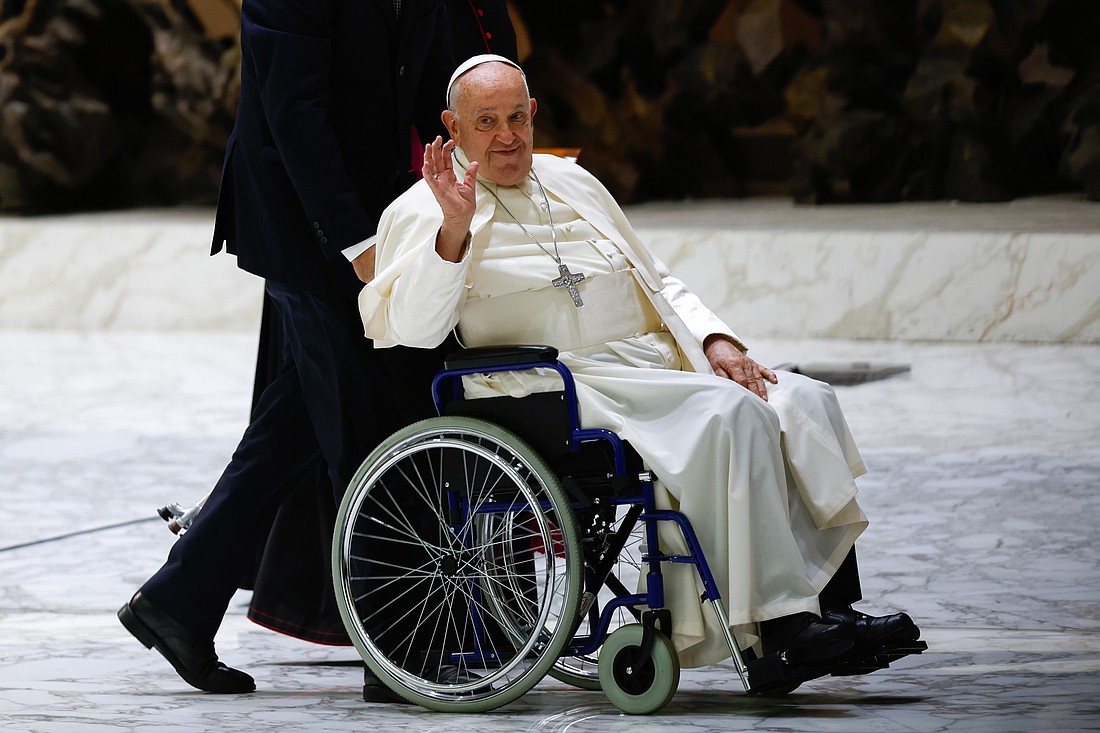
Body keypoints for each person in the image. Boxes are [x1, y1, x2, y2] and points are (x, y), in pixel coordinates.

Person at [360, 55, 921, 674]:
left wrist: (714, 340)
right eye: (486, 122)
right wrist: (455, 231)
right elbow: (416, 330)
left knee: (798, 398)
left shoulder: (569, 180)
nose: (507, 136)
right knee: (733, 417)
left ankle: (833, 611)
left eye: (517, 117)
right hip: (557, 383)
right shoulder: (425, 207)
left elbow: (654, 278)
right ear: (453, 127)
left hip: (649, 361)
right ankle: (780, 631)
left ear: (534, 114)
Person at [117, 0, 460, 696]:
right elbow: (294, 114)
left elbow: (430, 90)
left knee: (295, 422)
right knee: (360, 425)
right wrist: (357, 243)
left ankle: (176, 602)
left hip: (372, 208)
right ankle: (393, 654)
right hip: (303, 222)